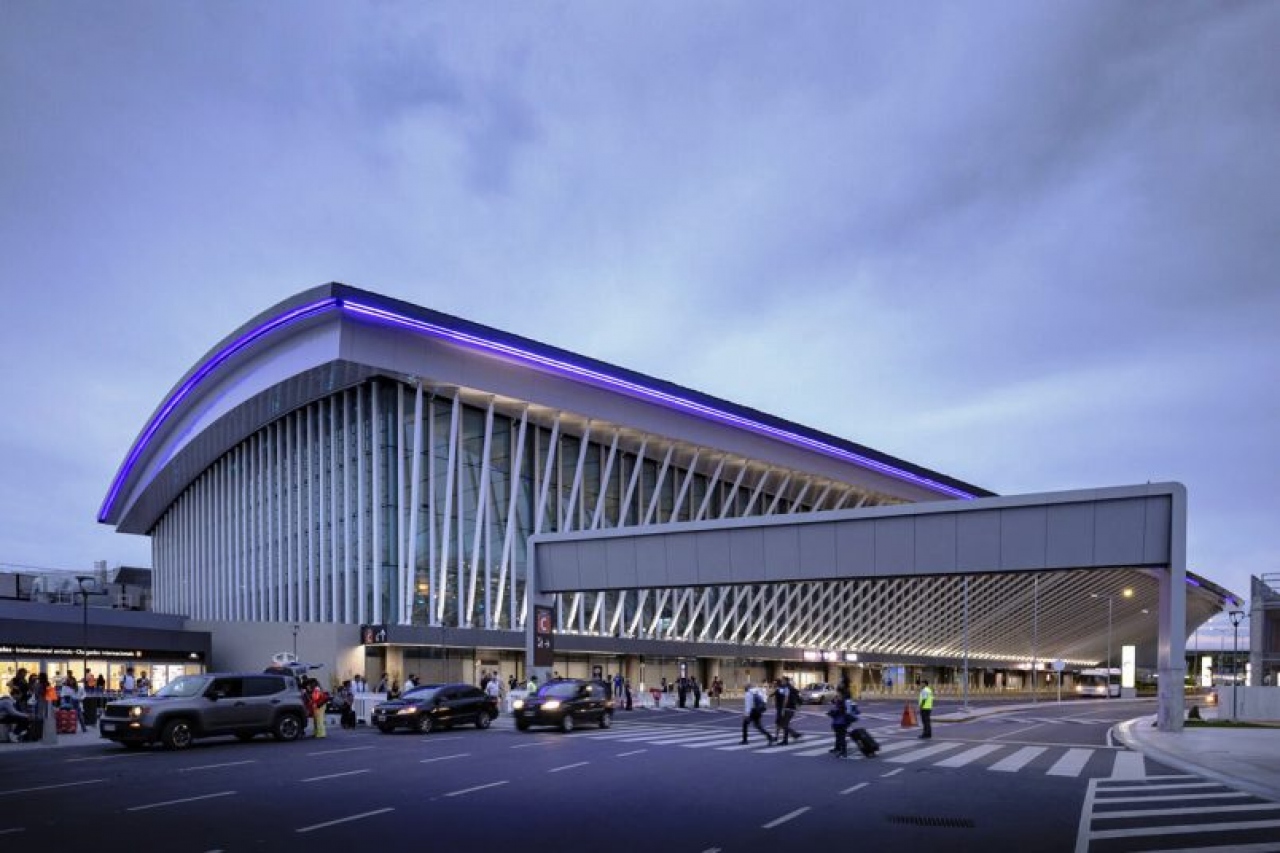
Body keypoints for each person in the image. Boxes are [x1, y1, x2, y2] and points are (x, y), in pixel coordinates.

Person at [773, 677, 803, 744]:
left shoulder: (786, 688)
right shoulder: (791, 688)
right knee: (784, 724)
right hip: (792, 708)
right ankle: (785, 740)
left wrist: (783, 708)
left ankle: (795, 734)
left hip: (788, 708)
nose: (782, 682)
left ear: (786, 681)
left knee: (783, 724)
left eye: (783, 681)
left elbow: (786, 699)